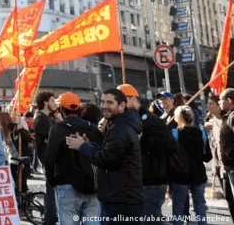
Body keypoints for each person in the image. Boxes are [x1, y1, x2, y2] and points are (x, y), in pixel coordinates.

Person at [67, 87, 142, 225]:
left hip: (120, 198)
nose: (105, 106)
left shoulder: (120, 128)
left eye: (109, 103)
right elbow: (111, 152)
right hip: (120, 196)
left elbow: (106, 159)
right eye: (102, 102)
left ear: (122, 105)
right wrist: (89, 145)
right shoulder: (119, 125)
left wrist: (82, 146)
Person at [43, 92, 102, 225]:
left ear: (62, 109)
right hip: (92, 185)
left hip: (66, 185)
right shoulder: (92, 128)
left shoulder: (58, 129)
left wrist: (52, 181)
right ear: (79, 109)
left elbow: (49, 158)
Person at [117, 84, 172, 223]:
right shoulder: (126, 120)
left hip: (151, 180)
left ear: (134, 99)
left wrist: (141, 140)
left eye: (123, 101)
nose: (120, 105)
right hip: (137, 182)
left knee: (149, 219)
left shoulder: (149, 120)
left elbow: (167, 145)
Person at [169, 105, 211, 225]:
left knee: (178, 209)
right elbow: (207, 157)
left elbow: (168, 154)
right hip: (198, 174)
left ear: (177, 118)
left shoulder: (174, 134)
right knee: (200, 207)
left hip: (179, 175)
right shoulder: (202, 134)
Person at [33, 91, 58, 225]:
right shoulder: (41, 119)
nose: (55, 104)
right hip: (48, 160)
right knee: (51, 192)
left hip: (51, 159)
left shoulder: (48, 118)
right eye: (53, 101)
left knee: (52, 191)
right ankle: (50, 219)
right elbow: (49, 140)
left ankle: (51, 218)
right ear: (45, 103)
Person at [0, 112, 30, 192]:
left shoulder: (15, 128)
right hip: (11, 159)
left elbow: (28, 139)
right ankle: (17, 197)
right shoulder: (2, 131)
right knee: (14, 181)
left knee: (22, 182)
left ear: (3, 120)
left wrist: (21, 130)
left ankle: (24, 199)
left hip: (21, 158)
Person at [218, 88, 234, 219]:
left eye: (221, 100)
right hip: (229, 167)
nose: (219, 103)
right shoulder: (229, 115)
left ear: (229, 101)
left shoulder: (233, 116)